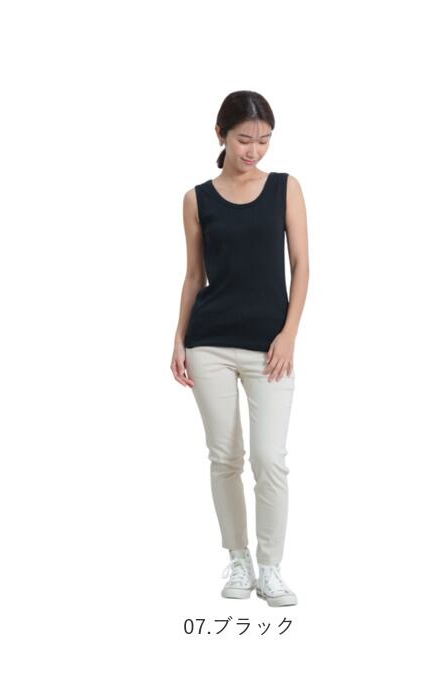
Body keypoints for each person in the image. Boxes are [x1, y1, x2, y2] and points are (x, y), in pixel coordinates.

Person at [171, 91, 309, 606]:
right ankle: (238, 558)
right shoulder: (196, 199)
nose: (254, 150)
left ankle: (270, 567)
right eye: (244, 139)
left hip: (269, 346)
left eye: (264, 140)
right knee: (225, 456)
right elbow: (194, 275)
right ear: (221, 135)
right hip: (208, 343)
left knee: (270, 459)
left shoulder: (285, 188)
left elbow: (302, 265)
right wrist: (179, 339)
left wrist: (289, 334)